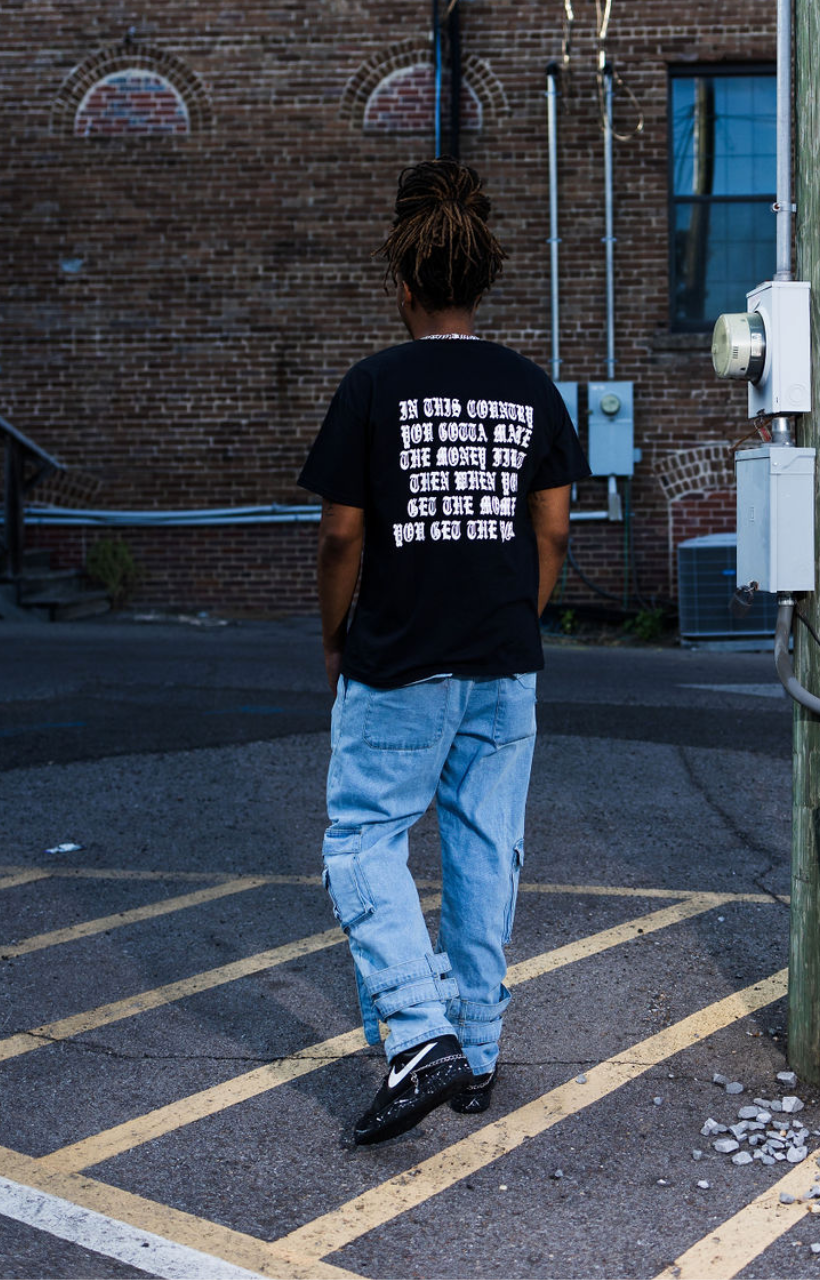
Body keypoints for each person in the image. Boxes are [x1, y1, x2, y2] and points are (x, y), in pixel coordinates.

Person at [298, 158, 590, 1146]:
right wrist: (516, 612)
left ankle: (418, 1038)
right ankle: (476, 1045)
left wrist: (335, 637)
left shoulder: (374, 384)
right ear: (480, 280)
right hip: (503, 661)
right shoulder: (530, 390)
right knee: (484, 848)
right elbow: (551, 530)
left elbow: (343, 534)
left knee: (361, 841)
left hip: (397, 657)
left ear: (405, 284)